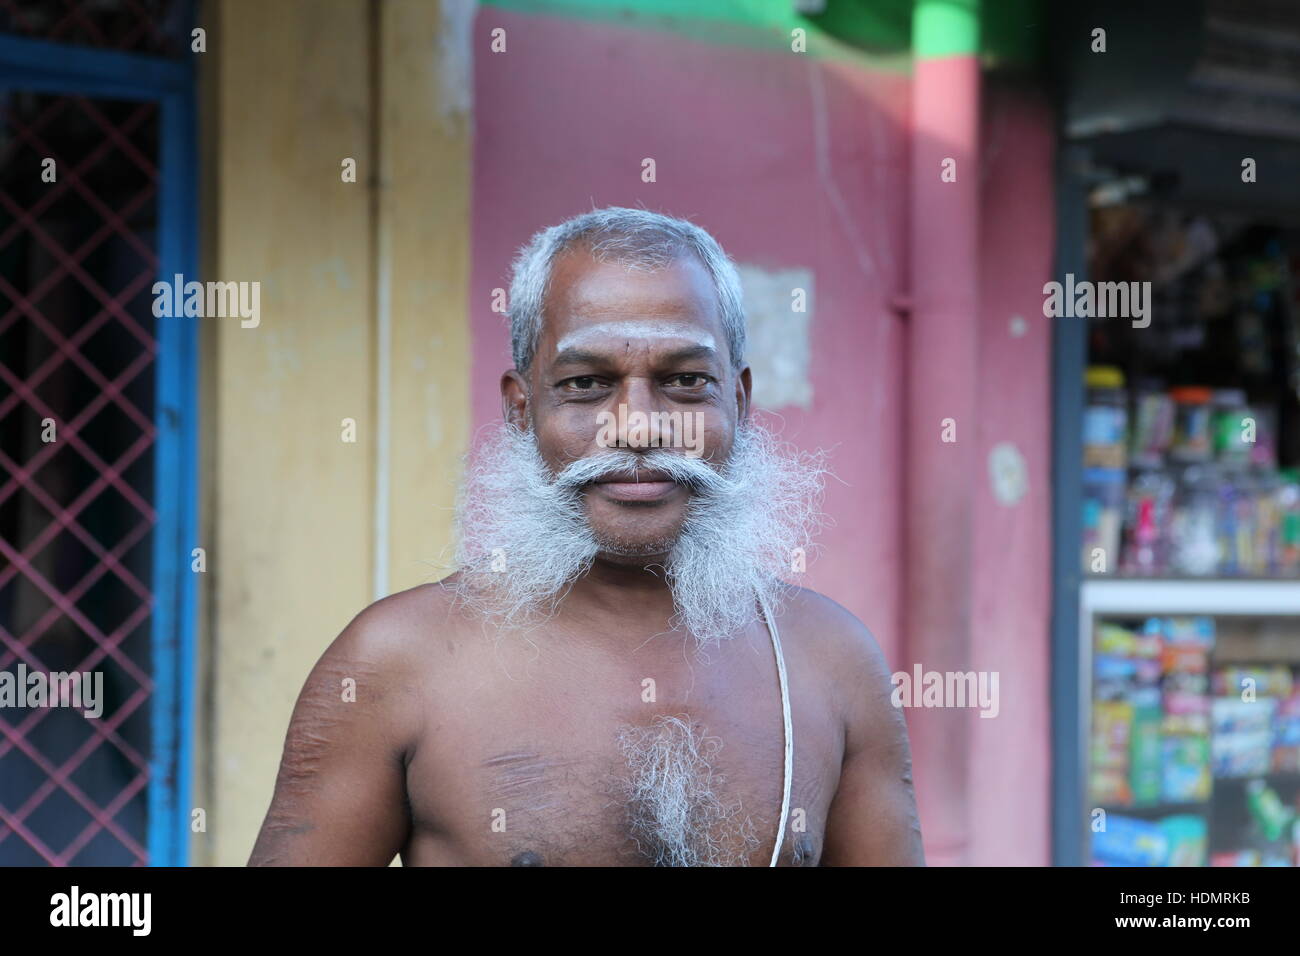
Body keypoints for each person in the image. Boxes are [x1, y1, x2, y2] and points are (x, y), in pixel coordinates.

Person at [249, 206, 924, 866]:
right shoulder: (396, 663)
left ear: (739, 403)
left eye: (685, 382)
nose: (637, 427)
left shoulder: (831, 664)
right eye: (586, 384)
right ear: (521, 408)